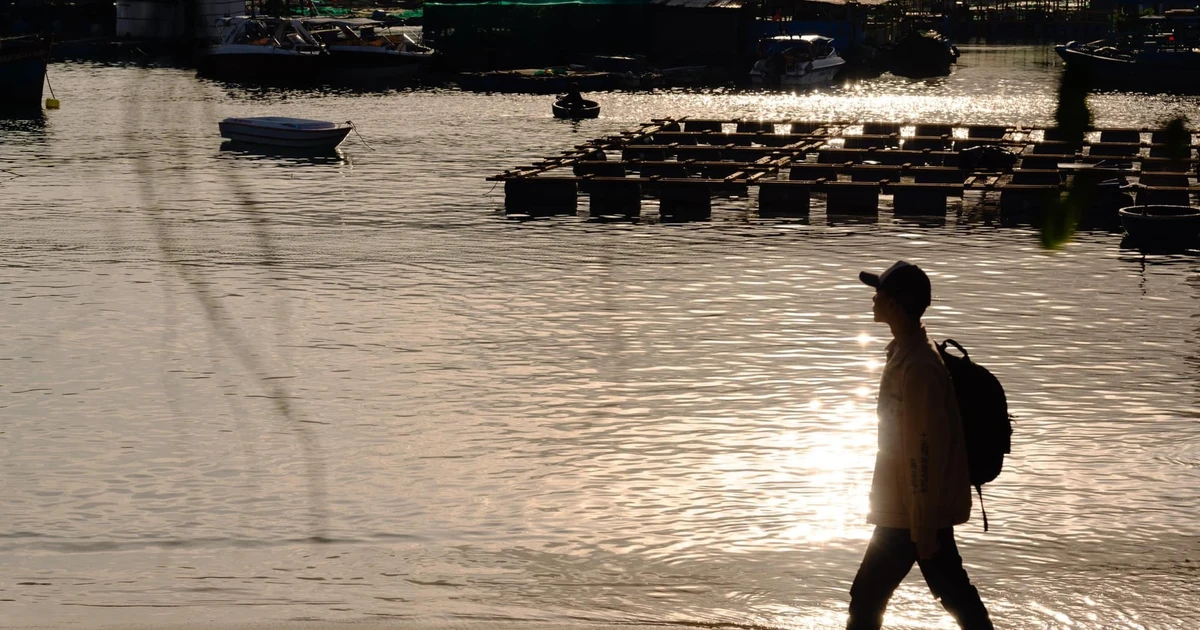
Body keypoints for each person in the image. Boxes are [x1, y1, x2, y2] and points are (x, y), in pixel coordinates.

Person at [848, 261, 994, 630]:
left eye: (879, 292)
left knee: (867, 597)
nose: (873, 297)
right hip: (910, 508)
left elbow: (924, 449)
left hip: (911, 512)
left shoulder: (920, 368)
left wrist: (923, 524)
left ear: (895, 304)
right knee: (953, 593)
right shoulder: (901, 352)